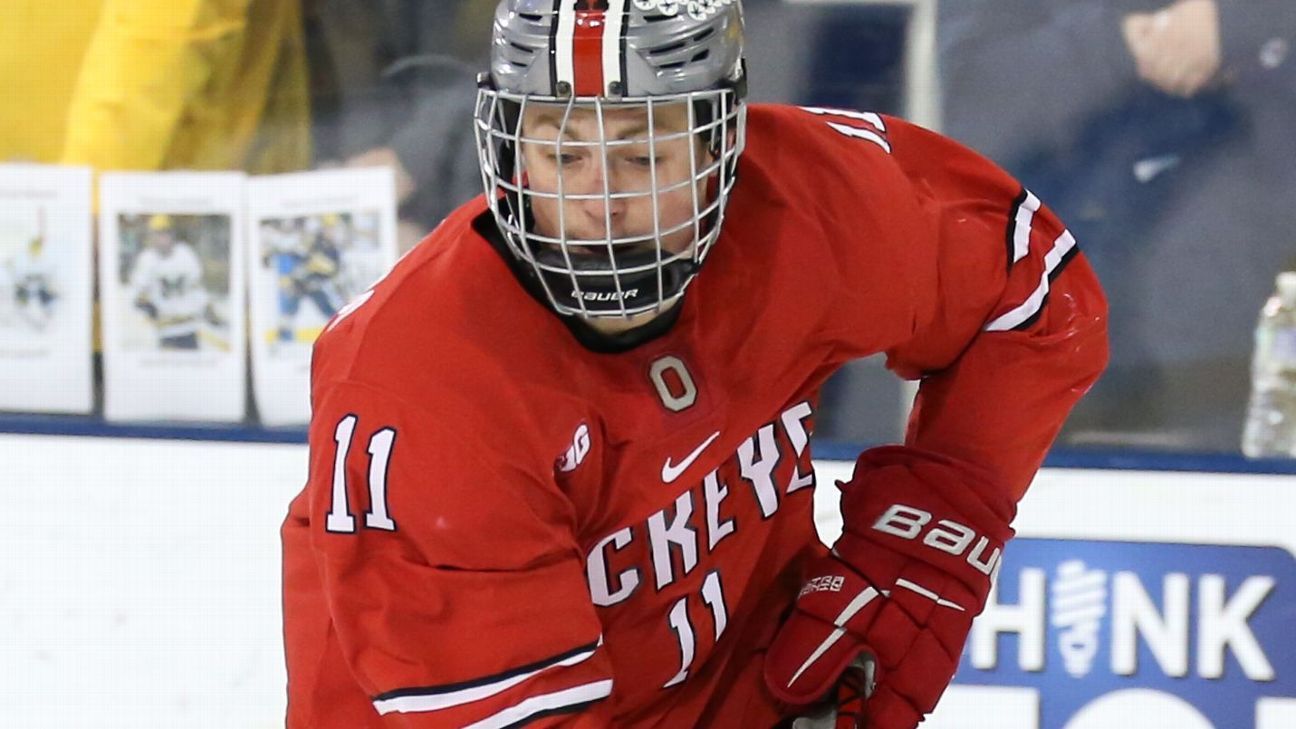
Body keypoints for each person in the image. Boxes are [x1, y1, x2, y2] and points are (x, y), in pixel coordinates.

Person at [281, 2, 1108, 728]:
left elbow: (1030, 294)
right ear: (508, 145)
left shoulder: (803, 204)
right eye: (561, 156)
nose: (598, 203)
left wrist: (923, 541)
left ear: (721, 143)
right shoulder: (423, 388)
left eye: (644, 158)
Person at [940, 0, 1296, 450]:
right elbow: (970, 91)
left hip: (1243, 374)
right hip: (1041, 361)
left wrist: (1240, 19)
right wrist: (1121, 42)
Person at [128, 215, 210, 350]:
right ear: (151, 237)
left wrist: (204, 306)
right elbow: (137, 293)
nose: (162, 239)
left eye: (165, 234)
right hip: (166, 330)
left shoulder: (185, 253)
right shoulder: (147, 259)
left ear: (172, 235)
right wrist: (148, 306)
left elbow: (197, 285)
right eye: (157, 234)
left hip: (189, 328)